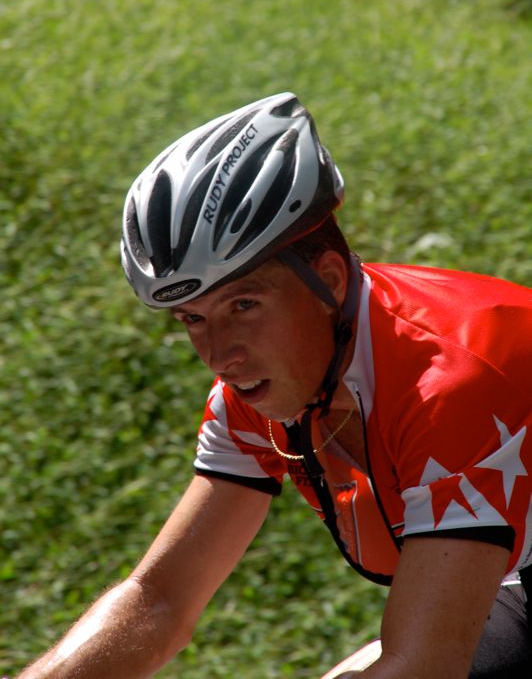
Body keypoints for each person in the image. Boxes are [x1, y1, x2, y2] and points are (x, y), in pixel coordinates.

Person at [16, 92, 531, 679]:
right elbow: (160, 601)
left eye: (245, 304)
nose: (220, 355)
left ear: (329, 281)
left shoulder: (447, 385)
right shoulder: (259, 388)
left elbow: (425, 666)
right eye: (193, 318)